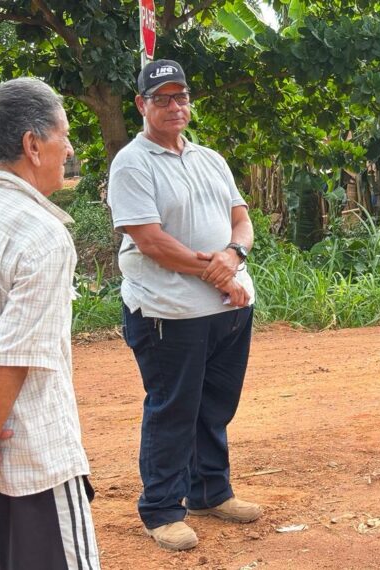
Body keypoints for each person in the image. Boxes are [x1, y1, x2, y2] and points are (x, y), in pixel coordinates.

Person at [107, 59, 260, 551]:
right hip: (168, 313)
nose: (174, 106)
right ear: (141, 104)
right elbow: (151, 241)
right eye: (162, 98)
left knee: (214, 406)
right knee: (173, 409)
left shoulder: (209, 158)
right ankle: (161, 509)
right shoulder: (132, 163)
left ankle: (210, 492)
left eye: (181, 96)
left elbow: (242, 220)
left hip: (229, 308)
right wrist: (219, 272)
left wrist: (233, 257)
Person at [0, 77, 101, 569]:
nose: (69, 149)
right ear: (32, 144)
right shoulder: (41, 235)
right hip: (28, 467)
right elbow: (8, 362)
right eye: (63, 135)